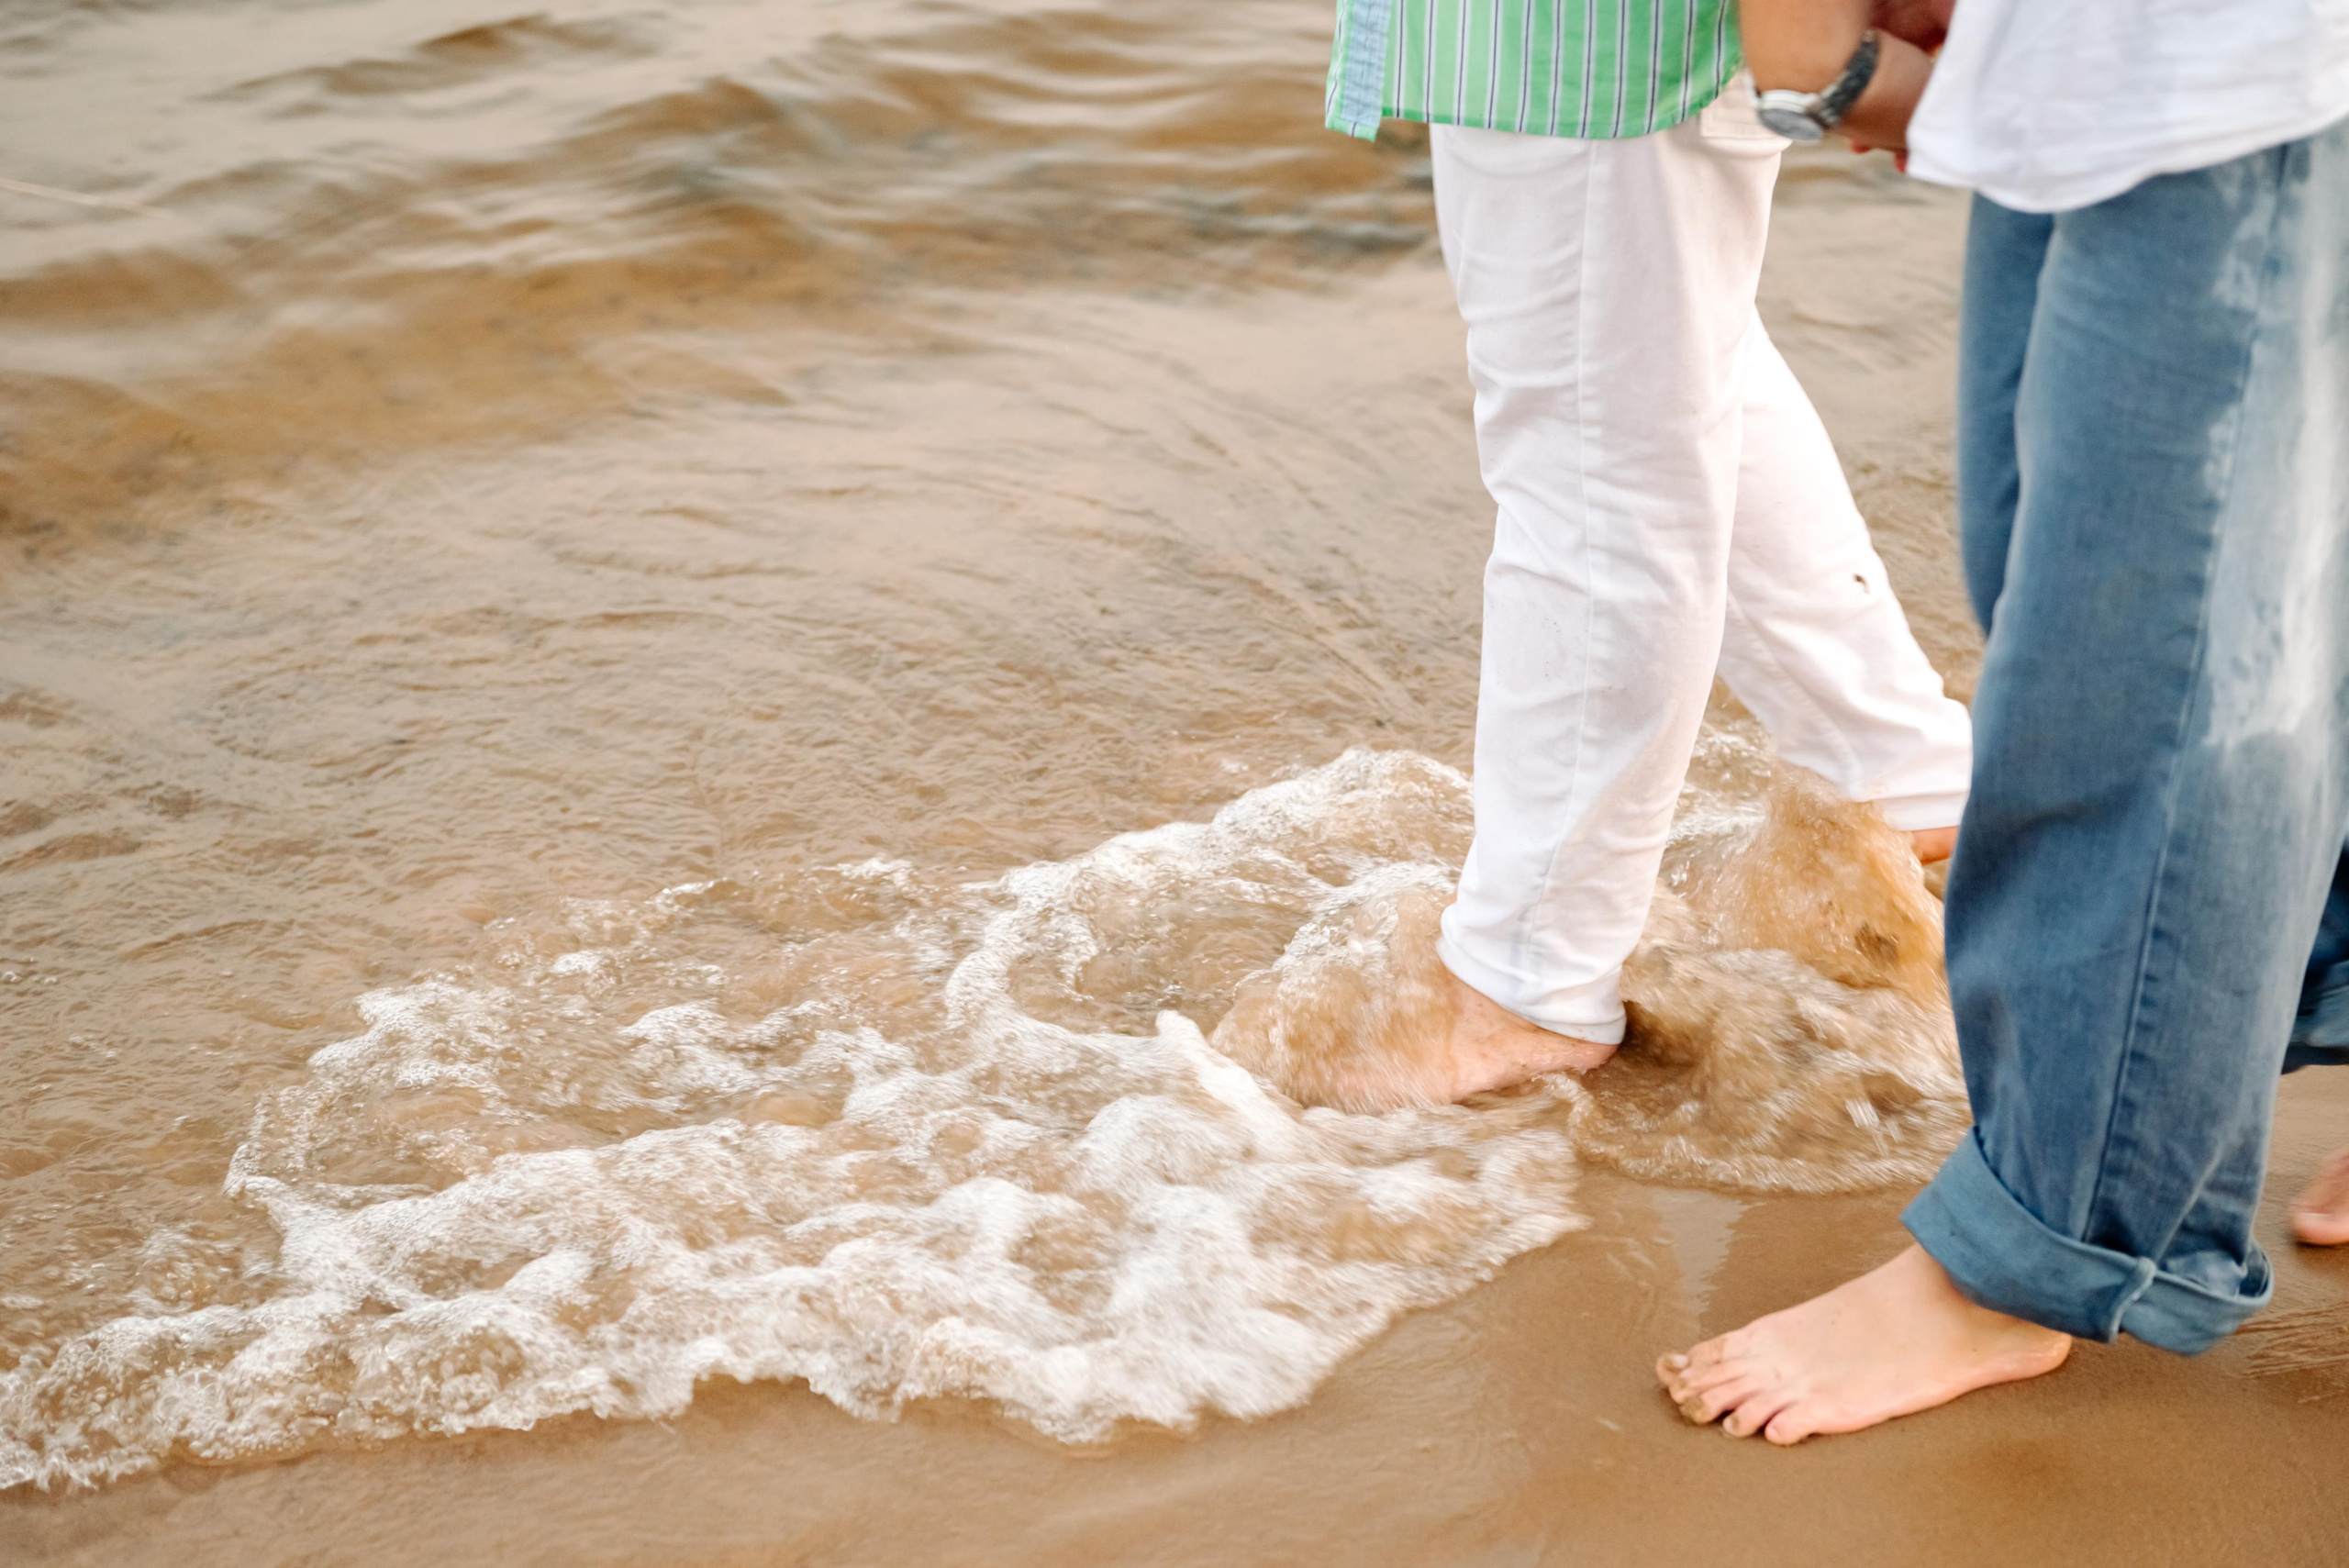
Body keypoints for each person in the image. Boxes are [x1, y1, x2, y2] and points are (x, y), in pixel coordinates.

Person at [1659, 0, 2349, 1443]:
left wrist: (1823, 65)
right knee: (2225, 567)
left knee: (2146, 639)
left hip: (2229, 59)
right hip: (2137, 50)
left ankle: (2038, 1258)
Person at [1323, 3, 1976, 1105]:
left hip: (1593, 40)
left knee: (1592, 449)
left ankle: (1528, 978)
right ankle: (1891, 765)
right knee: (1659, 365)